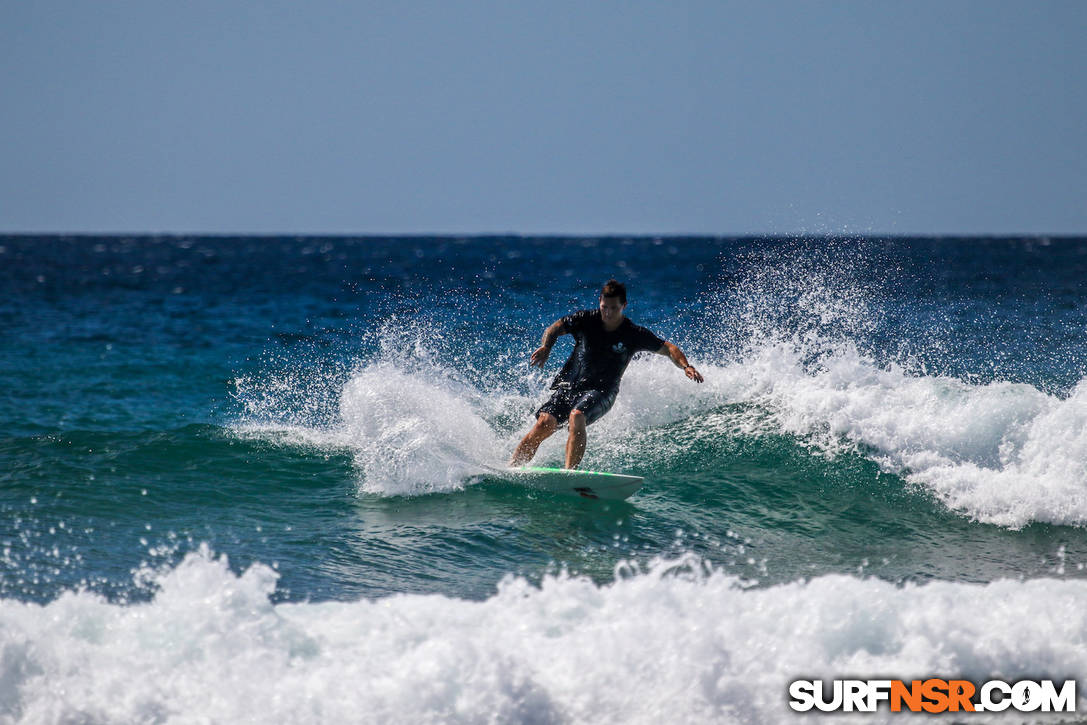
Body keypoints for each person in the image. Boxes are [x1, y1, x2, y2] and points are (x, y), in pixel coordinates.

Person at [510, 279, 704, 469]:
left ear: (624, 306)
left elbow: (668, 348)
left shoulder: (633, 333)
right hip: (570, 386)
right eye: (604, 307)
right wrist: (546, 347)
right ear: (599, 302)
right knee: (545, 423)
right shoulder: (585, 320)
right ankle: (513, 468)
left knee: (577, 416)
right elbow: (555, 328)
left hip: (602, 391)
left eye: (614, 308)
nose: (608, 313)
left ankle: (569, 474)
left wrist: (686, 366)